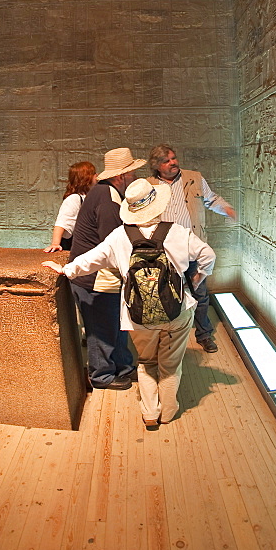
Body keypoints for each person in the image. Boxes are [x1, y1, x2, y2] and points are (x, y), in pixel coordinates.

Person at [44, 178, 215, 428]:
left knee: (146, 363)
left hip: (137, 313)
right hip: (177, 311)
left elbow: (92, 259)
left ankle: (149, 413)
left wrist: (65, 270)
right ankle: (168, 412)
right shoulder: (178, 232)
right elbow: (208, 255)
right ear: (158, 205)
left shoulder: (119, 237)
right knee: (170, 365)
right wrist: (198, 279)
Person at [67, 146, 146, 390]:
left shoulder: (105, 193)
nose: (135, 177)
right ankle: (102, 375)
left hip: (98, 276)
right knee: (102, 330)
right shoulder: (109, 200)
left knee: (116, 324)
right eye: (132, 173)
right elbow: (112, 244)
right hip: (95, 279)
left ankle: (122, 366)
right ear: (120, 176)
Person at [148, 144, 236, 353]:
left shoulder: (193, 177)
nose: (173, 163)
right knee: (164, 295)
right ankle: (166, 337)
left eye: (174, 158)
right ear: (157, 166)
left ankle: (203, 334)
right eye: (167, 161)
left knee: (200, 293)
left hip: (192, 248)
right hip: (166, 252)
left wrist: (227, 209)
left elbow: (211, 199)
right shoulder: (149, 184)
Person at [44, 161, 97, 253]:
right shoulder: (74, 198)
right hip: (74, 249)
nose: (97, 176)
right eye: (93, 173)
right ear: (86, 178)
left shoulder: (88, 198)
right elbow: (62, 223)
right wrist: (55, 243)